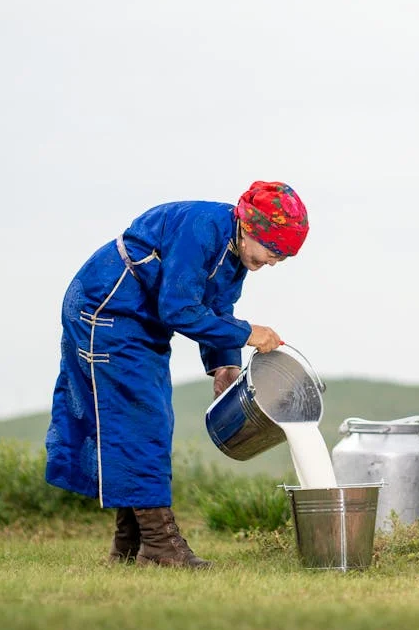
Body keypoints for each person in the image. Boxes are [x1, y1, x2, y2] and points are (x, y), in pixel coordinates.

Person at [44, 181, 309, 569]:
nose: (273, 262)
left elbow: (217, 305)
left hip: (138, 319)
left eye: (282, 258)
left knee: (139, 422)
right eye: (274, 251)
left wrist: (225, 363)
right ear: (253, 227)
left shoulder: (235, 250)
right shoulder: (202, 230)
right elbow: (179, 307)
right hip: (106, 309)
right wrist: (249, 333)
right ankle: (160, 545)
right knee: (143, 418)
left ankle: (130, 544)